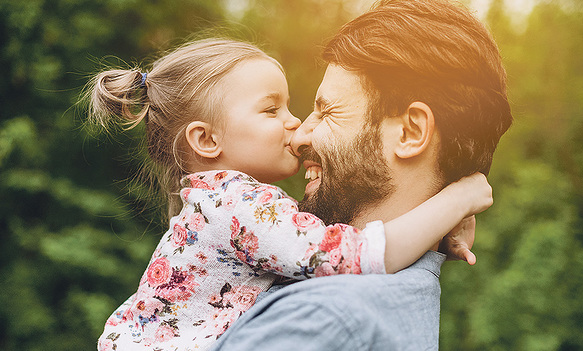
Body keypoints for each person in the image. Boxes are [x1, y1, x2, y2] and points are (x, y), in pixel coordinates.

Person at [89, 38, 491, 351]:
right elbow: (355, 255)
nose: (295, 125)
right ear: (207, 139)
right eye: (271, 111)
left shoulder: (222, 206)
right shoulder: (238, 206)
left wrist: (440, 226)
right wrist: (457, 198)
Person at [209, 0, 513, 350]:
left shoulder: (321, 324)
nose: (300, 136)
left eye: (327, 112)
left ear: (411, 132)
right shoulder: (389, 300)